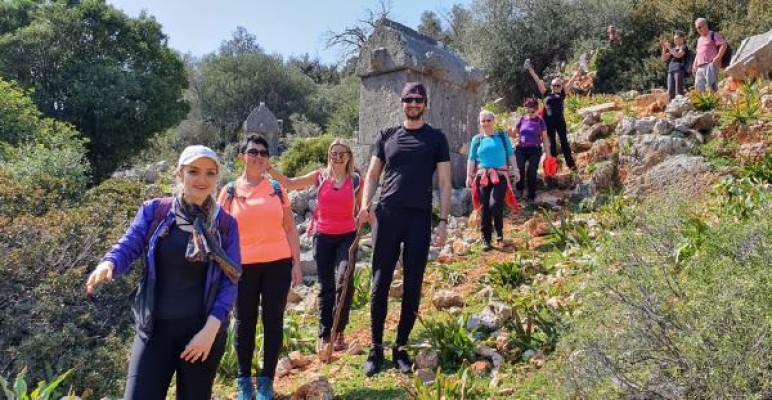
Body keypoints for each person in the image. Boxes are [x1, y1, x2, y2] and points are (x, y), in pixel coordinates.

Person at [85, 145, 241, 400]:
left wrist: (211, 330)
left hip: (203, 334)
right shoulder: (155, 211)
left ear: (217, 178)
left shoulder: (224, 224)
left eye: (210, 173)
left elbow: (231, 279)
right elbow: (130, 243)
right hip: (154, 331)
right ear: (180, 174)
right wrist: (109, 263)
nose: (202, 180)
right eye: (194, 171)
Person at [358, 82, 451, 376]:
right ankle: (375, 348)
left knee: (412, 285)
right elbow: (373, 175)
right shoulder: (387, 135)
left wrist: (445, 221)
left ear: (425, 103)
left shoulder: (436, 138)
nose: (413, 104)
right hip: (386, 215)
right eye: (408, 99)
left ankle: (400, 348)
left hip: (419, 218)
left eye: (418, 100)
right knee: (379, 283)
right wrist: (365, 204)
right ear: (402, 103)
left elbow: (446, 182)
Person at [219, 134, 302, 400]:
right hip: (242, 267)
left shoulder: (277, 188)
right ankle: (244, 382)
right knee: (244, 323)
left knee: (273, 321)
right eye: (253, 152)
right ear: (241, 155)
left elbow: (289, 228)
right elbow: (219, 233)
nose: (258, 157)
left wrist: (296, 264)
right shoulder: (229, 191)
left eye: (263, 153)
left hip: (278, 263)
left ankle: (266, 381)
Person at [266, 138, 362, 358]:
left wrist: (374, 225)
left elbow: (362, 207)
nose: (336, 157)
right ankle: (324, 333)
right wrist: (270, 168)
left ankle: (339, 330)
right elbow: (290, 183)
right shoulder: (319, 177)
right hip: (323, 237)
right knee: (326, 286)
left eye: (340, 153)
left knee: (344, 281)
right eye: (333, 153)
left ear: (348, 156)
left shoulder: (356, 180)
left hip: (347, 235)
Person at [466, 110, 520, 251]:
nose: (485, 123)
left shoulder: (502, 137)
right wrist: (468, 176)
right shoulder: (477, 140)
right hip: (482, 177)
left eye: (488, 120)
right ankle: (486, 239)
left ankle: (499, 229)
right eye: (483, 121)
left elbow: (510, 154)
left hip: (500, 176)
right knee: (485, 207)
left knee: (495, 204)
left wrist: (516, 169)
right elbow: (471, 159)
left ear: (493, 121)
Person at [526, 63, 579, 176]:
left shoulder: (563, 93)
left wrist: (579, 70)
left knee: (564, 143)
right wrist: (530, 69)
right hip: (548, 123)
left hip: (560, 122)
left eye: (558, 85)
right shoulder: (546, 94)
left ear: (561, 86)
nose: (555, 87)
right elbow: (538, 80)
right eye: (553, 85)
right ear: (551, 86)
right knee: (552, 146)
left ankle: (571, 166)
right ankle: (553, 169)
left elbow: (572, 81)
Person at [511, 99, 551, 207]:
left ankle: (531, 196)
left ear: (537, 110)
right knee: (519, 168)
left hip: (535, 149)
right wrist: (510, 133)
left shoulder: (540, 121)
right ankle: (519, 190)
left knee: (531, 172)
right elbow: (514, 134)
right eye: (527, 111)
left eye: (532, 111)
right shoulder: (522, 120)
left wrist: (548, 154)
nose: (529, 114)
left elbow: (545, 138)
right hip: (521, 148)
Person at [692, 18, 728, 92]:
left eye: (699, 27)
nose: (698, 30)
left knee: (712, 87)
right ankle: (703, 104)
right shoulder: (699, 39)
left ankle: (715, 103)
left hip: (710, 64)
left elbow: (724, 45)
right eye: (696, 28)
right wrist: (694, 65)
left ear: (706, 25)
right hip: (700, 67)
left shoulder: (713, 34)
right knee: (698, 88)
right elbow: (698, 53)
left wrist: (718, 58)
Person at [660, 30, 689, 100]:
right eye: (674, 39)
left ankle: (680, 106)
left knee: (678, 90)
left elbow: (678, 55)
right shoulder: (673, 49)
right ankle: (671, 107)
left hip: (679, 69)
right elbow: (663, 59)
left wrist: (669, 47)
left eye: (676, 38)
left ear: (682, 39)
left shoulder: (684, 47)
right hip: (670, 70)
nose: (675, 40)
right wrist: (664, 48)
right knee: (670, 90)